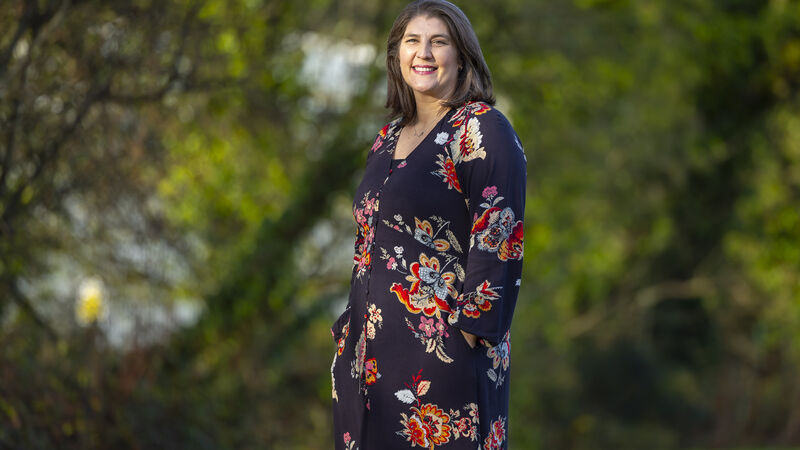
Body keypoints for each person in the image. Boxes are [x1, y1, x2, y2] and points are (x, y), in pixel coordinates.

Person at [330, 1, 526, 448]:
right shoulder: (388, 137)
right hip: (366, 366)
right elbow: (367, 243)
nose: (424, 53)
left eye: (439, 41)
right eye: (412, 41)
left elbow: (500, 234)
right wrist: (347, 329)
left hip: (442, 365)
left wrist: (469, 333)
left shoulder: (481, 129)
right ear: (396, 55)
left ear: (462, 56)